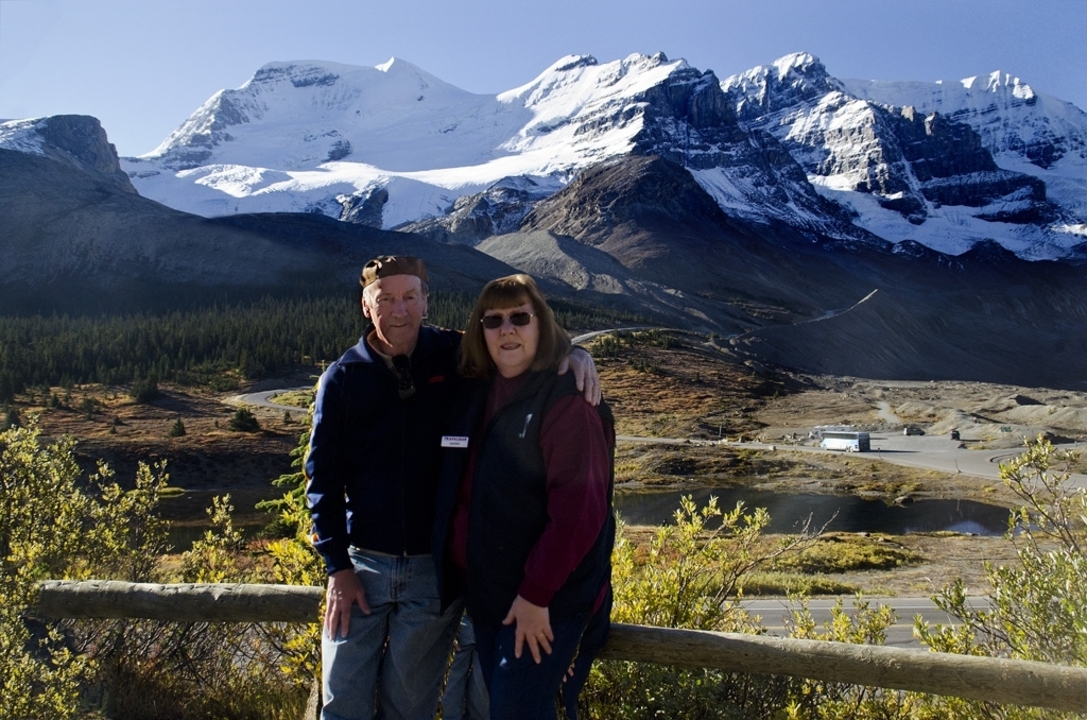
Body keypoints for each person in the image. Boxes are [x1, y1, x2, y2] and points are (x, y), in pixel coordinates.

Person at [304, 256, 600, 720]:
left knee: (410, 707)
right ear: (366, 305)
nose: (399, 310)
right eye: (385, 299)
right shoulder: (342, 378)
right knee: (343, 703)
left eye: (409, 297)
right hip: (361, 568)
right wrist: (337, 567)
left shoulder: (455, 356)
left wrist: (574, 354)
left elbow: (514, 344)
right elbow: (321, 479)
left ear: (426, 302)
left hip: (432, 572)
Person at [433, 273, 615, 720]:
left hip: (548, 603)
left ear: (542, 324)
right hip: (493, 595)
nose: (507, 330)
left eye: (520, 317)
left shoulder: (567, 400)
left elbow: (579, 514)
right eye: (493, 320)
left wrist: (536, 596)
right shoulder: (477, 387)